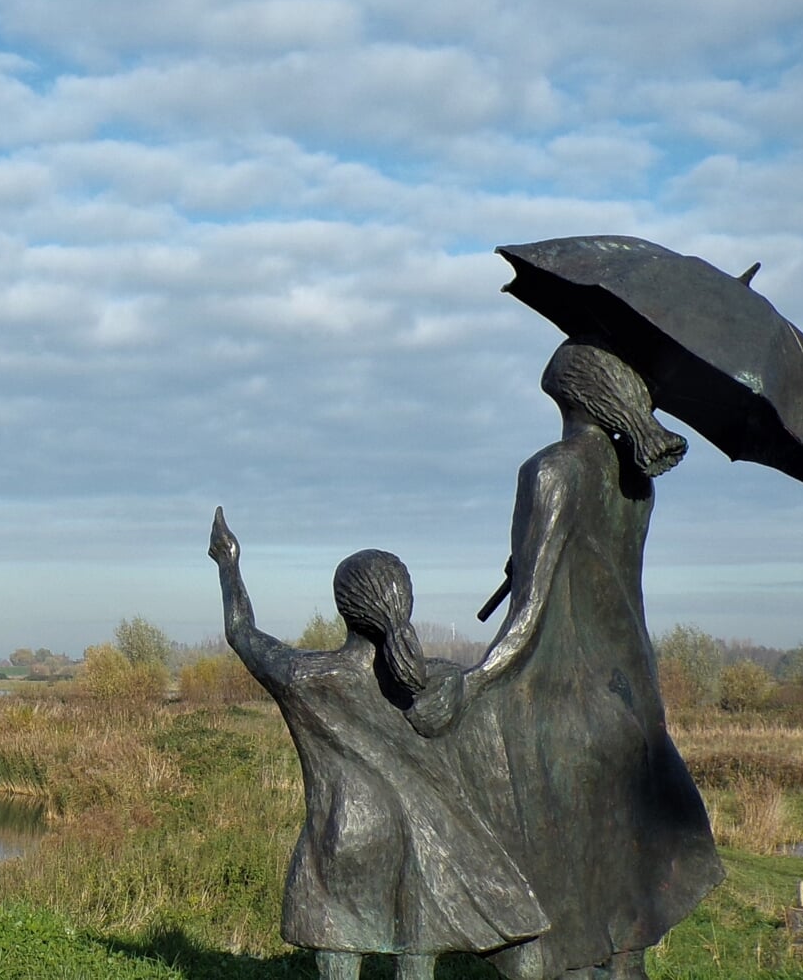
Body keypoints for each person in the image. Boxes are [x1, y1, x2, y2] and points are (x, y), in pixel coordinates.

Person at [409, 338, 723, 980]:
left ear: (566, 391)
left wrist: (472, 685)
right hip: (632, 700)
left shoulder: (550, 470)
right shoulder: (636, 484)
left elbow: (527, 615)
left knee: (567, 912)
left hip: (563, 708)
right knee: (620, 902)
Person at [208, 509, 545, 980]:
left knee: (342, 950)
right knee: (418, 952)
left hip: (343, 842)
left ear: (344, 609)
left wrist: (228, 563)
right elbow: (512, 649)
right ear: (405, 603)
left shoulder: (306, 677)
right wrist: (531, 569)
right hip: (429, 849)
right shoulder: (440, 682)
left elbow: (241, 633)